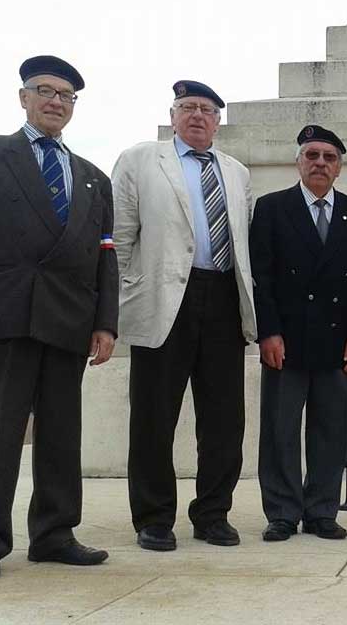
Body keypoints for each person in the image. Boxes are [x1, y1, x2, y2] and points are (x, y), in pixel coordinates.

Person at [0, 55, 117, 580]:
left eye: (66, 96)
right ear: (23, 97)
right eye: (45, 91)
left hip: (68, 321)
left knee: (62, 435)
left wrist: (105, 322)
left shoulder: (91, 177)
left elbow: (105, 253)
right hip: (4, 319)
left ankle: (55, 532)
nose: (55, 102)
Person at [111, 80, 256, 551]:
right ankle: (153, 518)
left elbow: (243, 240)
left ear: (218, 121)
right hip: (163, 297)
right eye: (188, 107)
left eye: (208, 109)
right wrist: (121, 300)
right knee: (154, 415)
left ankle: (213, 513)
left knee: (224, 419)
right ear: (172, 115)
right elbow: (120, 238)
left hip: (222, 298)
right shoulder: (140, 160)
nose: (198, 115)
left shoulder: (236, 172)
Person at [250, 125, 347, 542]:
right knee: (280, 429)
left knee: (331, 430)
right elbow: (261, 277)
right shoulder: (271, 208)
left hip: (337, 341)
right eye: (312, 155)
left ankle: (323, 510)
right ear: (298, 162)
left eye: (329, 157)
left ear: (339, 167)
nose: (320, 163)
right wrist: (267, 331)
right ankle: (283, 512)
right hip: (285, 340)